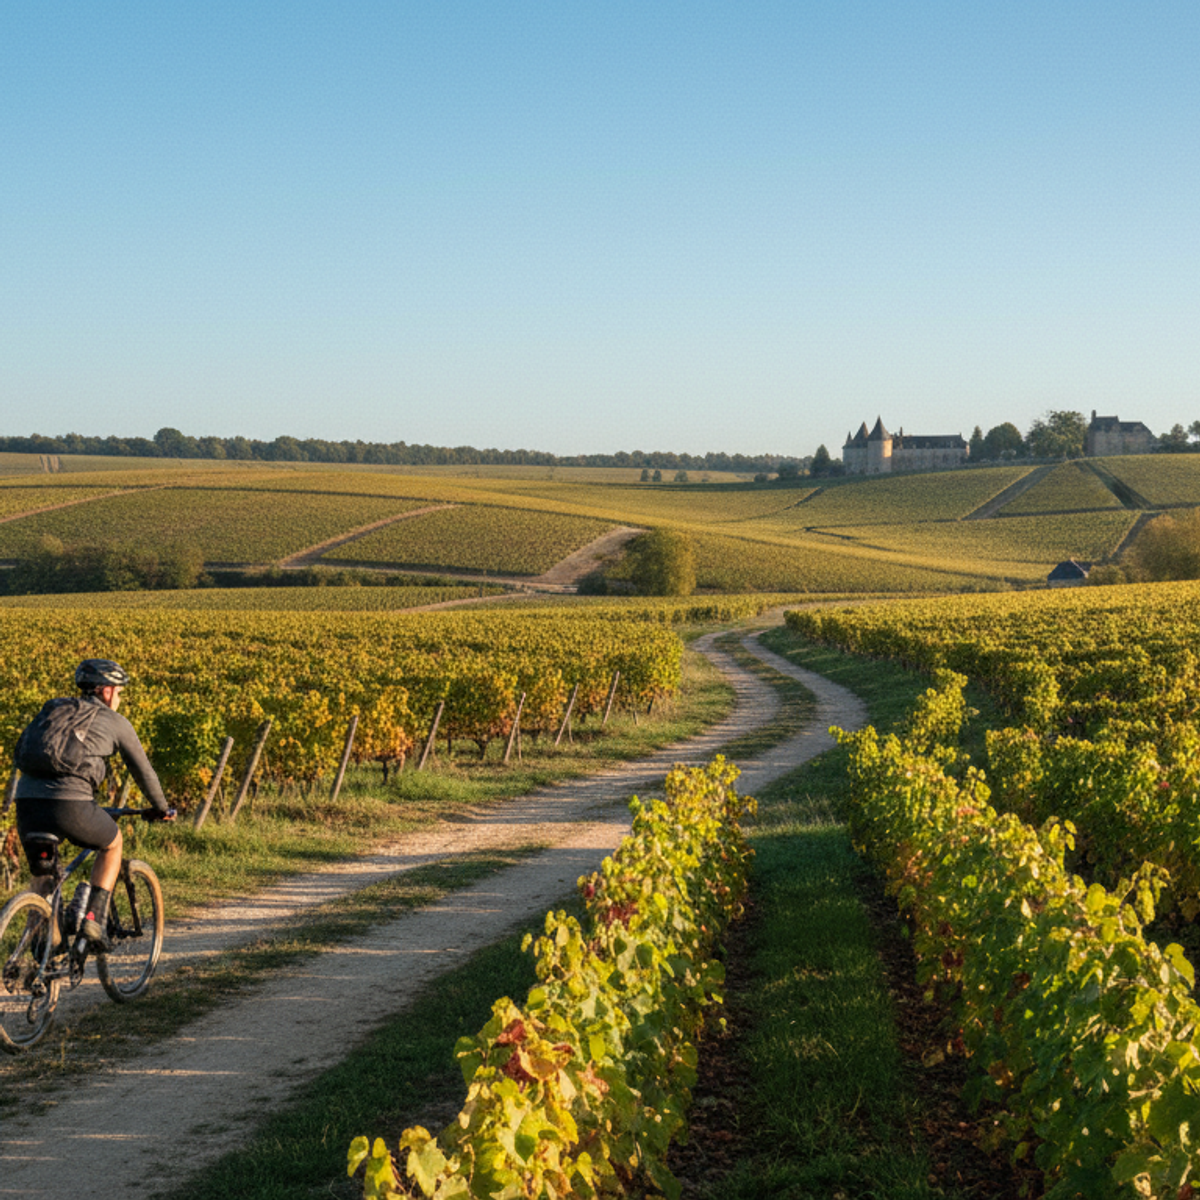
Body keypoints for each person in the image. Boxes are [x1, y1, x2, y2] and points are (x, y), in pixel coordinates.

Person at [13, 658, 174, 946]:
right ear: (108, 691)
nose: (120, 698)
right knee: (112, 843)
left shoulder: (54, 708)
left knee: (43, 878)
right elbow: (143, 772)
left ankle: (42, 955)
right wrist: (161, 808)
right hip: (70, 805)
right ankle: (93, 920)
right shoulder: (115, 722)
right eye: (120, 692)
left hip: (26, 802)